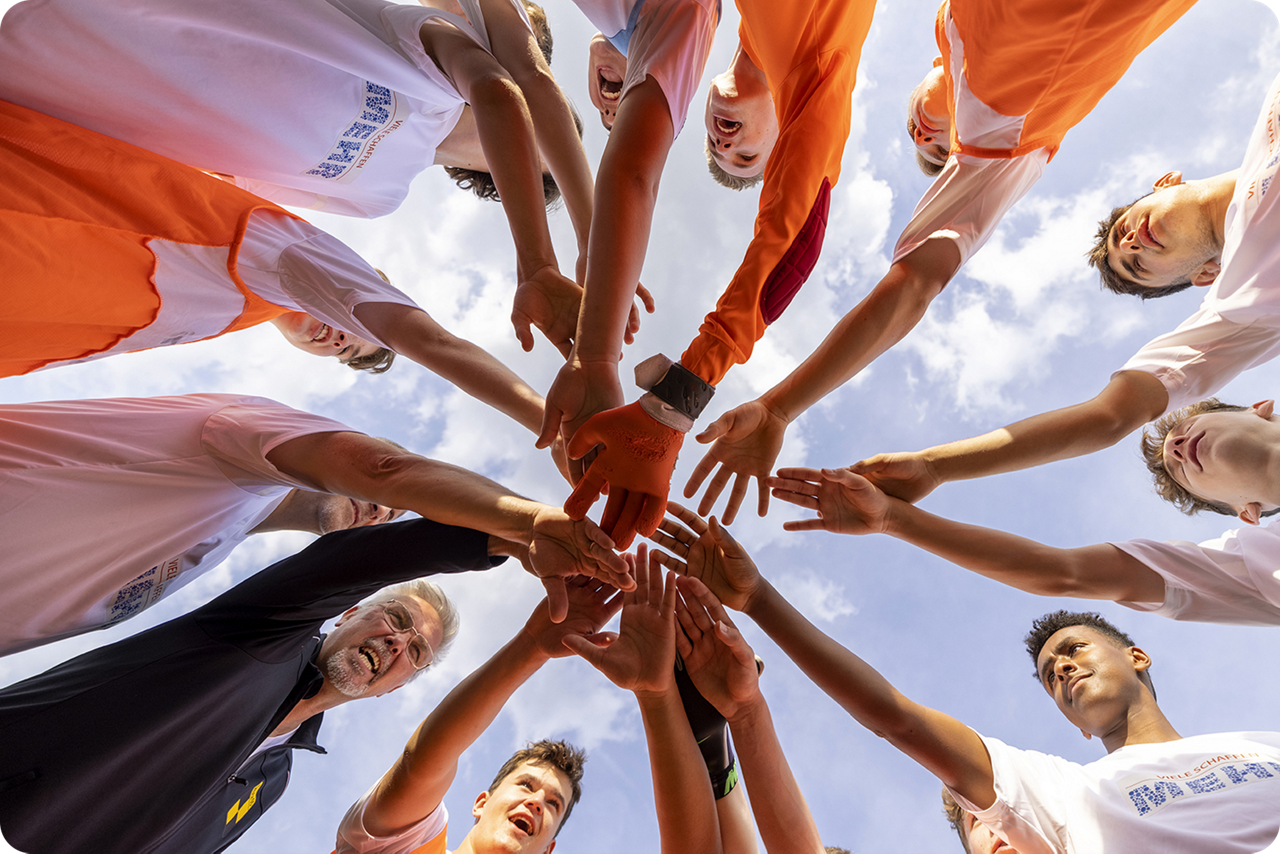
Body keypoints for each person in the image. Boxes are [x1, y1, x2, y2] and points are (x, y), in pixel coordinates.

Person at [682, 0, 1205, 524]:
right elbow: (909, 286)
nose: (924, 138)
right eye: (939, 154)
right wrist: (777, 407)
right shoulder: (994, 148)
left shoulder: (949, 25)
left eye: (916, 132)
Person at [0, 473, 628, 854]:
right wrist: (502, 538)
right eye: (395, 619)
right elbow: (342, 565)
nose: (398, 643)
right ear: (347, 613)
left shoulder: (272, 782)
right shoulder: (263, 633)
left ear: (396, 688)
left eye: (416, 651)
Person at [648, 511, 1280, 853]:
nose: (1062, 669)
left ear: (1138, 655)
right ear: (1073, 727)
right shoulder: (1064, 793)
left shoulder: (1263, 745)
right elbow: (897, 718)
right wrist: (760, 600)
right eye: (1049, 676)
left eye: (1073, 650)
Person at [0, 0, 594, 355]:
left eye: (536, 155)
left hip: (78, 96)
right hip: (123, 22)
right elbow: (497, 91)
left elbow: (240, 187)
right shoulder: (443, 58)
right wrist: (538, 262)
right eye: (545, 126)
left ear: (493, 177)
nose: (531, 135)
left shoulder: (379, 198)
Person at [845, 70, 1280, 511]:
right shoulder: (1242, 301)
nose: (1131, 243)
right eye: (1137, 265)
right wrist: (934, 467)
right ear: (1205, 275)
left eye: (1122, 231)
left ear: (1165, 182)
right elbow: (1109, 416)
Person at [0, 100, 560, 441]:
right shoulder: (287, 250)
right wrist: (551, 424)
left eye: (343, 351)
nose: (339, 338)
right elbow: (431, 341)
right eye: (358, 328)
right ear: (369, 278)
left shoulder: (223, 316)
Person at [540, 0, 876, 551]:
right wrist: (675, 402)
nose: (723, 145)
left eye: (724, 154)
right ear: (783, 139)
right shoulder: (813, 70)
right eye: (746, 158)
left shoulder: (708, 20)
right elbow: (792, 246)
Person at [0, 392, 628, 657]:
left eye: (393, 518)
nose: (385, 510)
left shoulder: (209, 550)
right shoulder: (239, 440)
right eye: (392, 501)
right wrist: (529, 522)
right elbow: (385, 471)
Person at [333, 577, 615, 853]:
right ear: (481, 803)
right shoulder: (414, 842)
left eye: (554, 804)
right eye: (526, 785)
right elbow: (421, 766)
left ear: (547, 851)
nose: (537, 802)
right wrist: (532, 646)